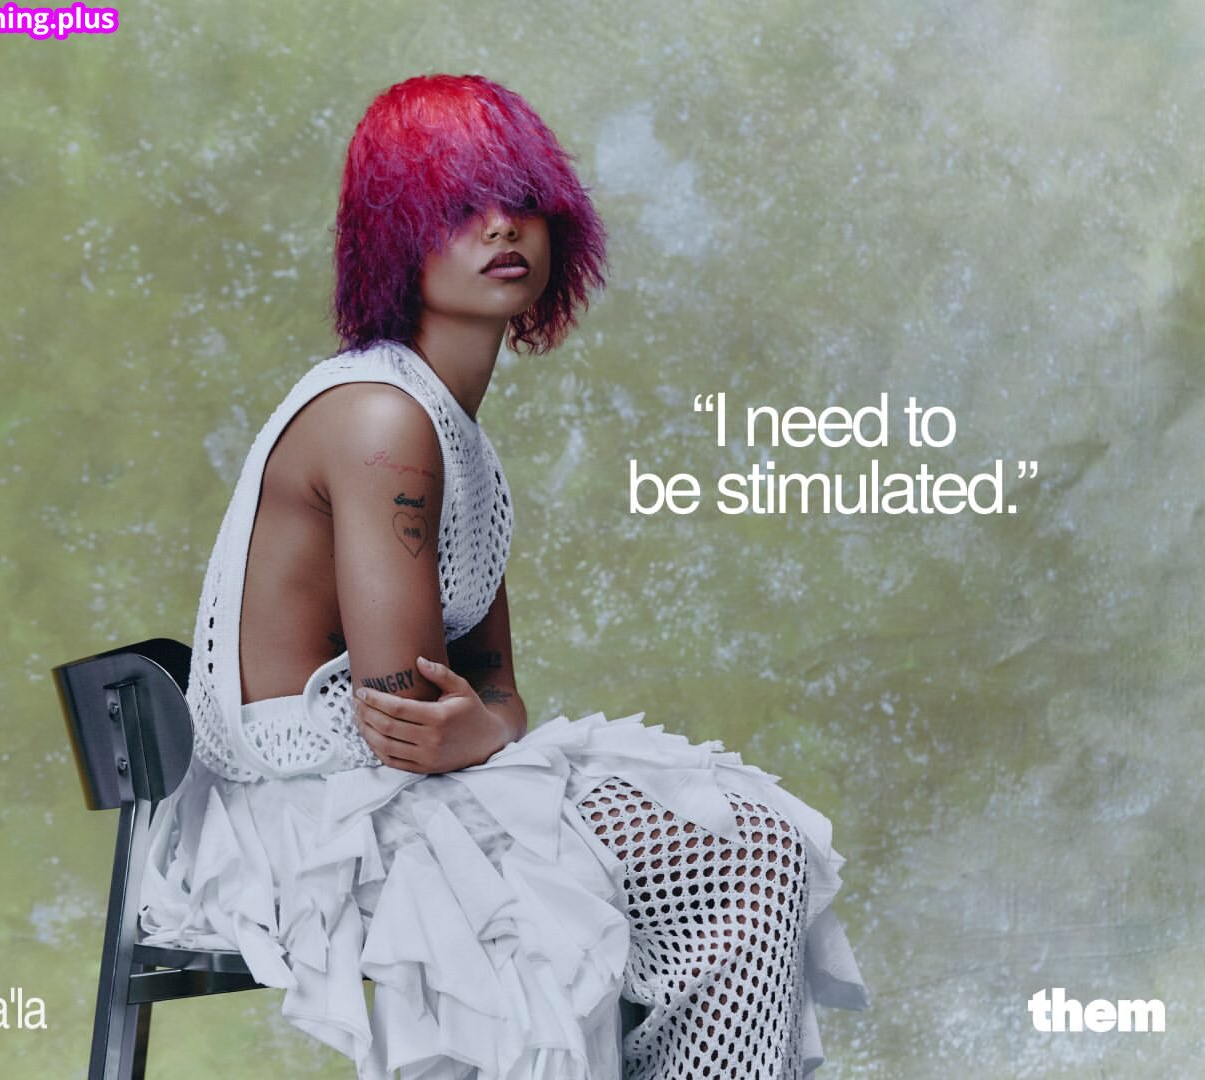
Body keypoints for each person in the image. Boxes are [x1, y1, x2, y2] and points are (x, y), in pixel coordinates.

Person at [141, 74, 867, 1080]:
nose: (501, 226)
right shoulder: (382, 418)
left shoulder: (457, 438)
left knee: (749, 835)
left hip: (398, 793)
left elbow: (492, 698)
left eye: (523, 199)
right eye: (456, 204)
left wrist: (484, 725)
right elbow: (408, 718)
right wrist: (481, 725)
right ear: (395, 234)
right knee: (739, 843)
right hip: (315, 820)